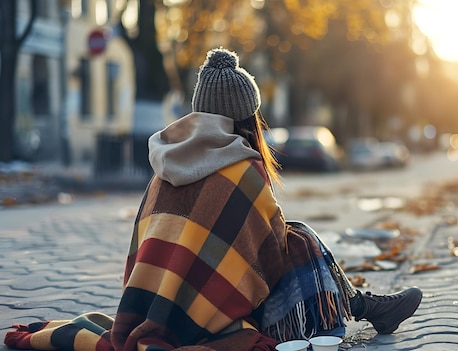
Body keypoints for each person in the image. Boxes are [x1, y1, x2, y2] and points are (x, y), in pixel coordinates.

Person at [4, 47, 421, 351]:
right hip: (208, 323)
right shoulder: (243, 169)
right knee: (300, 240)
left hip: (151, 305)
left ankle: (367, 305)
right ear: (246, 116)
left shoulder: (163, 163)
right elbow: (271, 255)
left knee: (296, 235)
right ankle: (364, 306)